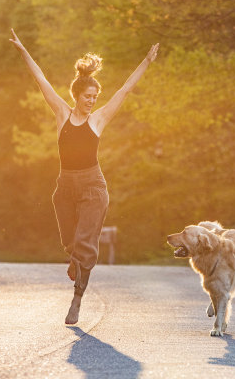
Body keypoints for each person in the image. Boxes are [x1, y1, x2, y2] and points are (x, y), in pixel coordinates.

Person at [9, 29, 159, 324]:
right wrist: (23, 50)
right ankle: (74, 257)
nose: (91, 101)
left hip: (93, 186)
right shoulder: (62, 114)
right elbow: (41, 80)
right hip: (65, 187)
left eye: (95, 97)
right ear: (76, 95)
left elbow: (125, 90)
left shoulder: (99, 119)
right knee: (71, 242)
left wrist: (146, 61)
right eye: (87, 96)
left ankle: (76, 300)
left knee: (85, 243)